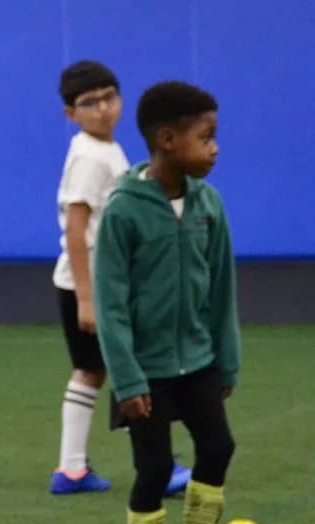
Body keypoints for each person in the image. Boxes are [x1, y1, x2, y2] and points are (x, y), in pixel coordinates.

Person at [95, 81, 240, 524]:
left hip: (198, 361)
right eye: (207, 137)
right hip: (146, 370)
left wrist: (227, 360)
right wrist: (127, 380)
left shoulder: (209, 204)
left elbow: (222, 289)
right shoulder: (123, 211)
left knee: (218, 448)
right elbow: (110, 305)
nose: (215, 148)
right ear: (167, 140)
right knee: (154, 469)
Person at [48, 61, 190, 500]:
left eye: (109, 97)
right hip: (91, 286)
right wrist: (87, 299)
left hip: (106, 285)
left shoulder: (105, 149)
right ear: (70, 113)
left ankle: (73, 468)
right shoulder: (90, 157)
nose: (103, 108)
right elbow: (76, 229)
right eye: (89, 103)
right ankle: (153, 465)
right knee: (128, 370)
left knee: (98, 371)